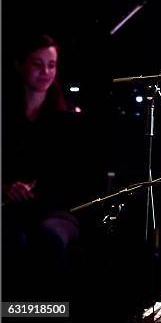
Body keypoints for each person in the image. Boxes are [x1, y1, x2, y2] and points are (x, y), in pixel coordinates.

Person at [1, 33, 85, 300]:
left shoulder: (67, 118)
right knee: (11, 237)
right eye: (37, 64)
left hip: (56, 209)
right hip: (9, 207)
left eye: (52, 65)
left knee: (48, 238)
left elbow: (72, 180)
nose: (46, 72)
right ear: (19, 65)